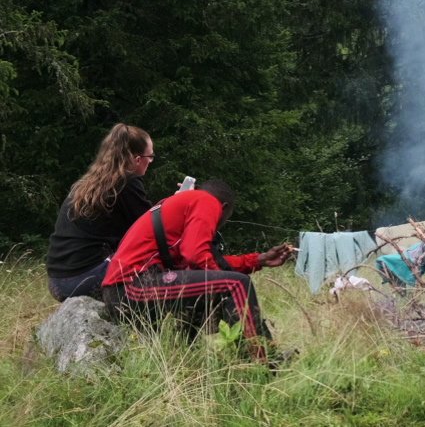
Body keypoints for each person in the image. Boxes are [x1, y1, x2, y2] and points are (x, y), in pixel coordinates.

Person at [101, 179, 293, 360]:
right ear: (223, 207)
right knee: (236, 284)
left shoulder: (182, 207)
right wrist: (225, 283)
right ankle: (265, 362)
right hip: (130, 287)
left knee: (212, 289)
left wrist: (257, 260)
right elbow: (194, 253)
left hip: (123, 292)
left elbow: (204, 261)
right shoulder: (206, 200)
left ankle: (189, 361)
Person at [46, 123, 155, 302]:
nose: (150, 162)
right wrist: (179, 203)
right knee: (154, 261)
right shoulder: (127, 182)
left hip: (57, 282)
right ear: (137, 159)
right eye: (150, 157)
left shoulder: (86, 184)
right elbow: (153, 228)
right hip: (83, 279)